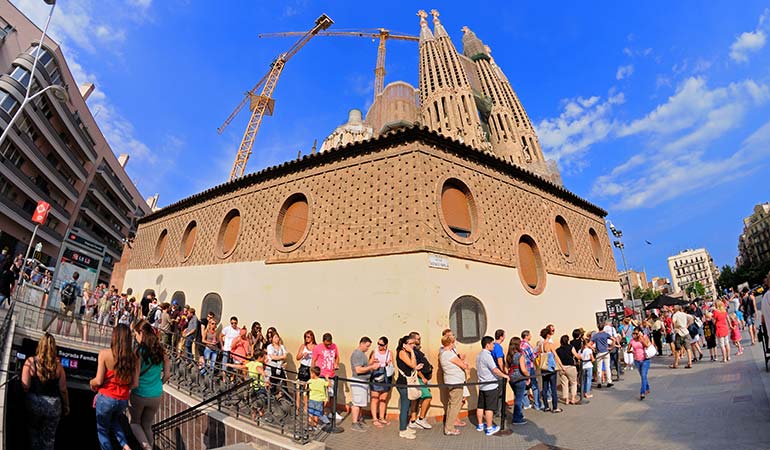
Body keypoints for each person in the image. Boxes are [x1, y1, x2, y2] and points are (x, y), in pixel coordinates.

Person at [90, 324, 137, 450]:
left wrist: (91, 383)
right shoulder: (134, 358)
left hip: (106, 398)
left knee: (102, 430)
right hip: (122, 400)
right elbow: (134, 384)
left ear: (114, 337)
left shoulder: (104, 354)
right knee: (115, 422)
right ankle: (126, 446)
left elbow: (99, 380)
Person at [21, 332, 69, 450]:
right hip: (53, 407)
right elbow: (63, 389)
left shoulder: (30, 362)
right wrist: (66, 406)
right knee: (49, 438)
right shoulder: (58, 366)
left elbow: (25, 386)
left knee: (34, 433)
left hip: (34, 404)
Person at [130, 321, 170, 450]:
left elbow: (135, 381)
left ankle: (146, 447)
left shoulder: (138, 352)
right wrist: (159, 383)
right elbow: (167, 374)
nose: (135, 337)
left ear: (141, 333)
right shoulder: (161, 350)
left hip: (140, 394)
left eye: (136, 333)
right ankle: (150, 447)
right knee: (147, 425)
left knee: (135, 423)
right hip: (156, 394)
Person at [475, 336, 509, 436]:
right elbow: (494, 369)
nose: (494, 345)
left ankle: (480, 425)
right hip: (490, 385)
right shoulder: (487, 356)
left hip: (482, 384)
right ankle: (489, 428)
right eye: (492, 344)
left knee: (480, 406)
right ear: (487, 345)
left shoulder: (479, 355)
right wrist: (505, 375)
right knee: (489, 408)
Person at [439, 332, 468, 435]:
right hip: (455, 382)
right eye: (453, 342)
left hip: (451, 381)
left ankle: (449, 426)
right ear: (451, 343)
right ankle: (449, 428)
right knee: (455, 405)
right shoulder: (449, 354)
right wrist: (464, 361)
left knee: (452, 404)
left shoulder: (443, 353)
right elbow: (464, 365)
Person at [395, 335, 422, 440]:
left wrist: (416, 366)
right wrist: (411, 352)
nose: (413, 346)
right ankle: (402, 430)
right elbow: (412, 365)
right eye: (410, 344)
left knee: (408, 407)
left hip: (407, 383)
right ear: (404, 344)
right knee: (405, 408)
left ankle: (405, 427)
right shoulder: (402, 353)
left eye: (413, 344)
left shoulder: (407, 352)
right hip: (403, 384)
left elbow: (413, 365)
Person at [349, 336, 378, 432]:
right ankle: (354, 423)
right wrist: (372, 367)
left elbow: (363, 366)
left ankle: (359, 420)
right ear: (361, 343)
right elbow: (358, 370)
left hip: (363, 382)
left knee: (361, 403)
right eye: (367, 346)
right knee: (357, 403)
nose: (368, 348)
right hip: (358, 381)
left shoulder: (362, 354)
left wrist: (371, 363)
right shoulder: (357, 354)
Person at [311, 332, 340, 420]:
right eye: (327, 344)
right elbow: (313, 360)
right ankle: (321, 414)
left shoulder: (334, 346)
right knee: (322, 396)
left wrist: (336, 363)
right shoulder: (317, 348)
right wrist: (312, 374)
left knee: (332, 395)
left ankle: (333, 412)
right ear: (323, 341)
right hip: (321, 375)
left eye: (330, 344)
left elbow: (337, 357)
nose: (329, 346)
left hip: (331, 375)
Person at [408, 331, 433, 430]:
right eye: (418, 339)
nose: (419, 340)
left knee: (416, 399)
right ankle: (421, 419)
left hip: (424, 378)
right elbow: (415, 367)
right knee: (427, 396)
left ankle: (413, 420)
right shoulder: (412, 352)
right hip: (419, 378)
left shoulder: (417, 350)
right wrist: (422, 377)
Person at [537, 326, 563, 413]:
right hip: (551, 368)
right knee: (553, 388)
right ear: (548, 335)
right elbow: (556, 356)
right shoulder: (550, 345)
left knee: (544, 387)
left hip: (543, 368)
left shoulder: (540, 345)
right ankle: (555, 407)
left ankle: (546, 406)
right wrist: (561, 366)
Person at [369, 336, 394, 428]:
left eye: (382, 345)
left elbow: (392, 364)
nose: (379, 346)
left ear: (386, 345)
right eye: (378, 344)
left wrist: (388, 363)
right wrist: (373, 361)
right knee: (375, 398)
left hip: (386, 376)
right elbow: (369, 363)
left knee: (383, 398)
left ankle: (381, 417)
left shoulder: (389, 352)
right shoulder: (374, 352)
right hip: (376, 375)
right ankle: (374, 418)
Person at [505, 336, 529, 426]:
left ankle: (519, 414)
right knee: (519, 398)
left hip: (512, 378)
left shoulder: (509, 355)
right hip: (520, 378)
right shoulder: (520, 355)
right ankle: (517, 418)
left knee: (517, 396)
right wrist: (528, 376)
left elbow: (506, 367)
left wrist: (508, 375)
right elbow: (523, 369)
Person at [520, 330, 542, 410]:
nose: (531, 336)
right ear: (526, 336)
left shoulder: (520, 344)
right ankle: (537, 404)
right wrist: (537, 352)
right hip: (529, 366)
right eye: (530, 335)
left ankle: (526, 403)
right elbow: (532, 356)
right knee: (534, 385)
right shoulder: (526, 345)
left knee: (524, 385)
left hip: (522, 367)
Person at [627, 329, 652, 400]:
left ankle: (642, 392)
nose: (634, 335)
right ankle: (647, 387)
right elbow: (628, 350)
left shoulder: (644, 338)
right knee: (642, 376)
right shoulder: (632, 341)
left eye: (636, 333)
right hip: (637, 360)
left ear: (639, 334)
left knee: (643, 375)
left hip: (645, 360)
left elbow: (647, 345)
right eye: (633, 333)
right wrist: (632, 351)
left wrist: (641, 339)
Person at [555, 335, 579, 405]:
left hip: (562, 368)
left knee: (564, 384)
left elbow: (556, 359)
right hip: (570, 367)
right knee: (573, 383)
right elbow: (576, 355)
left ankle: (566, 400)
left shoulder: (558, 350)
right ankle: (573, 398)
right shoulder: (570, 347)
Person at [56, 272, 82, 336]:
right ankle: (66, 335)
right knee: (69, 320)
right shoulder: (78, 286)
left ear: (72, 276)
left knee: (60, 318)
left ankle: (57, 333)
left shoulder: (66, 282)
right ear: (77, 278)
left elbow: (60, 291)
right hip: (72, 304)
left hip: (64, 302)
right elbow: (78, 294)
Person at [590, 323, 613, 388]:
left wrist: (593, 349)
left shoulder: (596, 336)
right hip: (606, 352)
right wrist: (611, 346)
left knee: (599, 368)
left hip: (599, 352)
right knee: (607, 367)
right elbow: (613, 339)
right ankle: (609, 381)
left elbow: (589, 344)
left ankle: (599, 382)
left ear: (598, 327)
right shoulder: (606, 334)